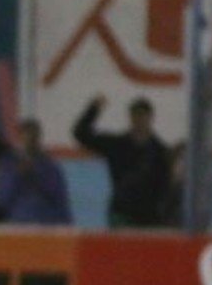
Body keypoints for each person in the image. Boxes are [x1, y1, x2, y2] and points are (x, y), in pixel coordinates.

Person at [72, 93, 170, 227]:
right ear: (130, 117)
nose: (139, 120)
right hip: (122, 214)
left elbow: (165, 188)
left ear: (150, 118)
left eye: (142, 115)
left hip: (150, 218)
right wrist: (93, 109)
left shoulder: (160, 152)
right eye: (136, 115)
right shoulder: (117, 145)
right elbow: (81, 134)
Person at [0, 117, 71, 224]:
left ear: (38, 138)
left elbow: (60, 198)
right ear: (19, 138)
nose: (30, 142)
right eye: (26, 137)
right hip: (19, 224)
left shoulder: (49, 166)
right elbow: (2, 199)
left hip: (46, 225)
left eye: (34, 138)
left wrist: (37, 175)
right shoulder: (8, 165)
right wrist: (17, 175)